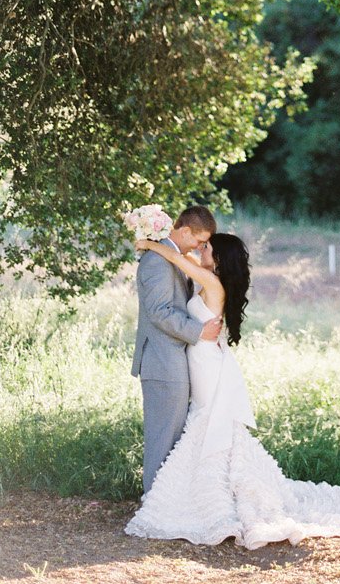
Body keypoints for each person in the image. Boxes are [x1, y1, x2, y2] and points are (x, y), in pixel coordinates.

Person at [125, 230, 340, 549]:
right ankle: (204, 491)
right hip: (202, 356)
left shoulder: (212, 283)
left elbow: (176, 258)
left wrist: (149, 244)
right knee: (206, 420)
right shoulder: (211, 277)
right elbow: (188, 263)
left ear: (219, 259)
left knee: (209, 421)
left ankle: (217, 495)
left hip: (208, 361)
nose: (201, 250)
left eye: (207, 248)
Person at [131, 205, 222, 493]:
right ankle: (153, 504)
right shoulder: (157, 262)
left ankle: (167, 500)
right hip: (162, 361)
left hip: (175, 360)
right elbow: (159, 311)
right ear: (184, 231)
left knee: (173, 438)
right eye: (199, 240)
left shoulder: (173, 257)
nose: (201, 247)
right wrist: (198, 331)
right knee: (162, 437)